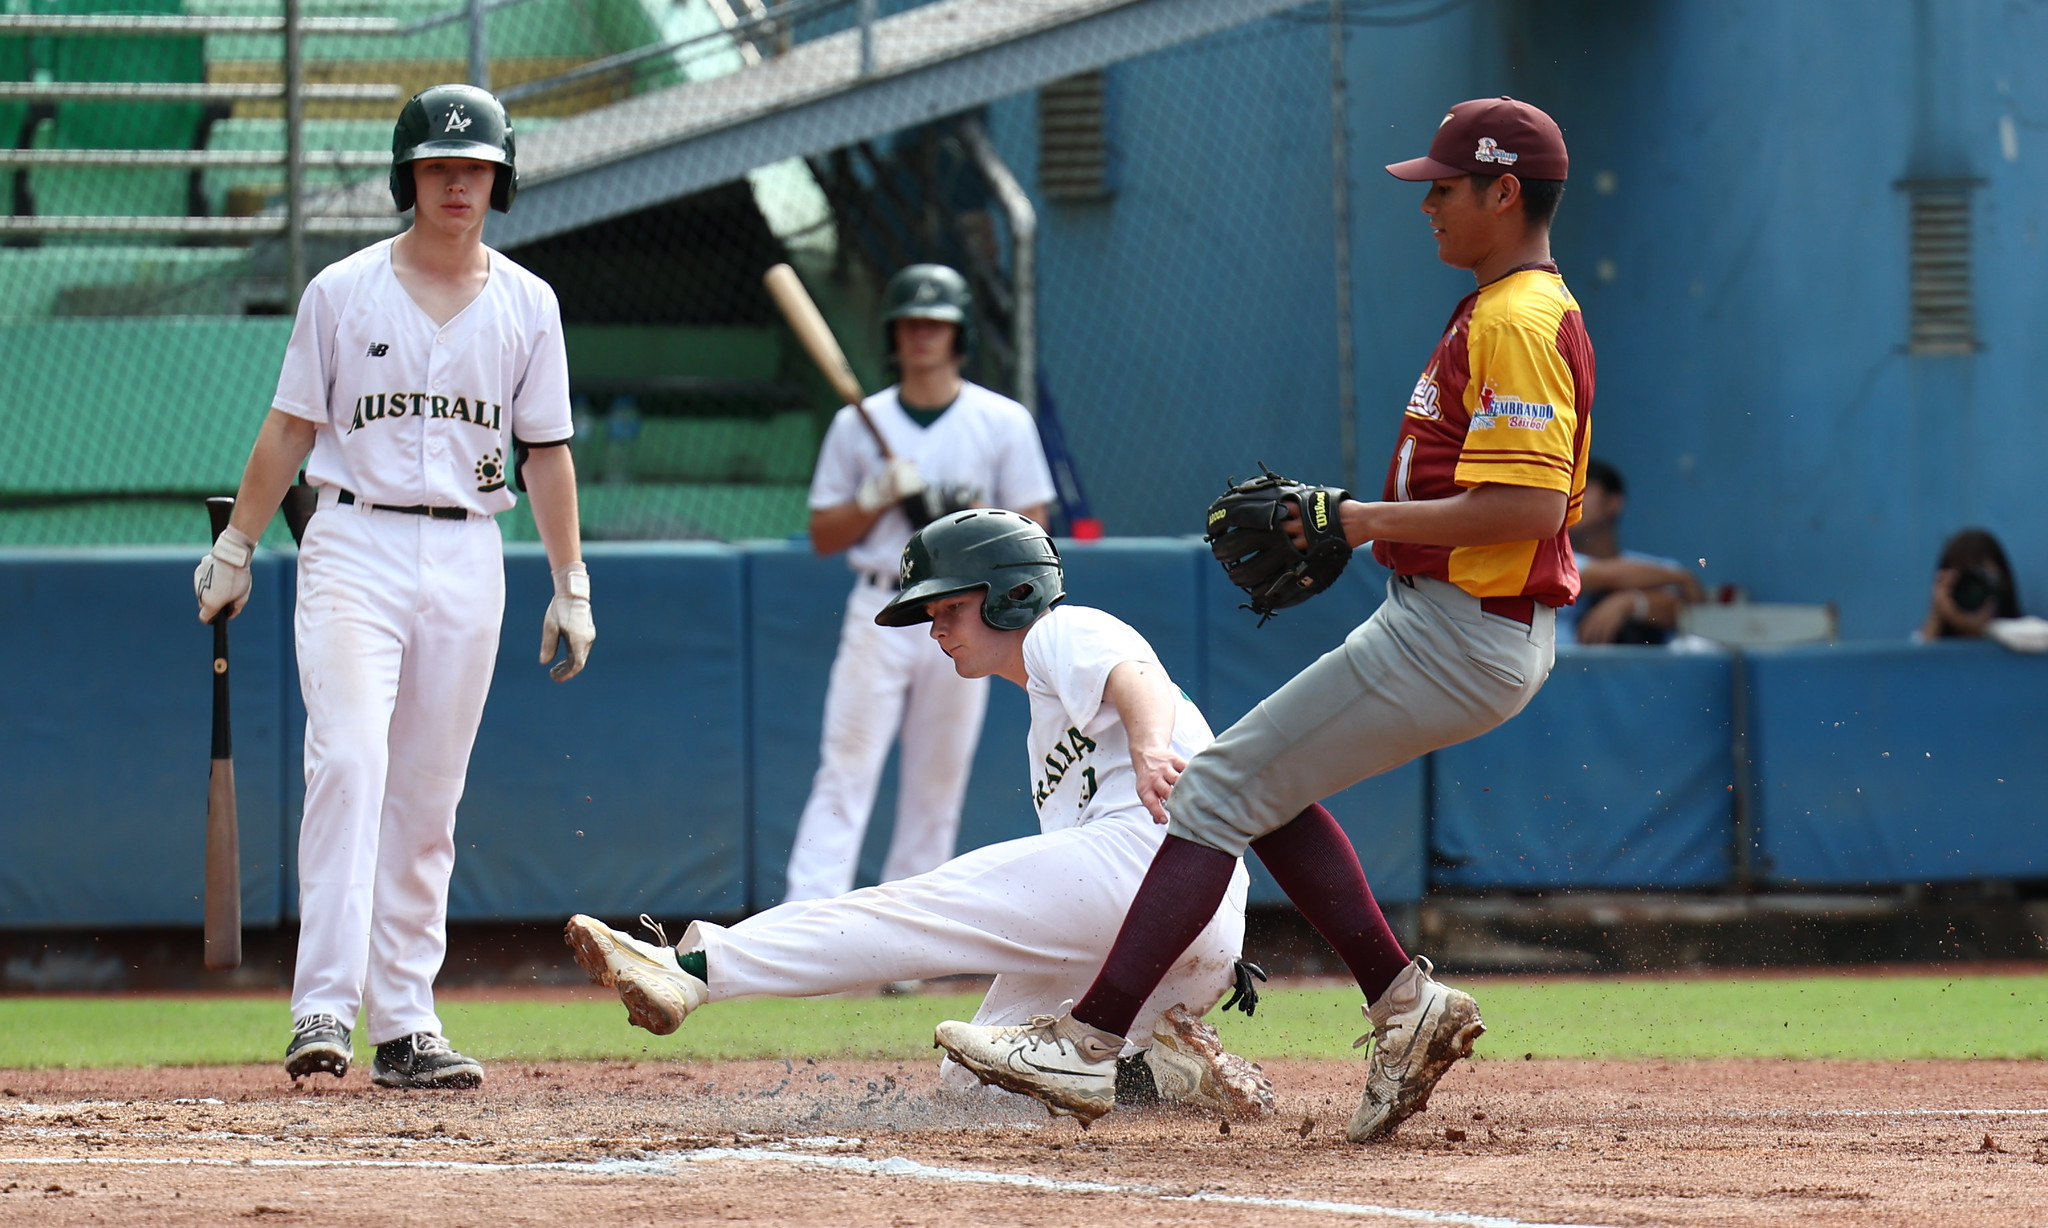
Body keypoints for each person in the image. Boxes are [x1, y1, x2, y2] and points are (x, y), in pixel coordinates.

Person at [934, 96, 1593, 1142]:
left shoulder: (1514, 317)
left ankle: (1089, 1042)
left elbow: (1528, 506)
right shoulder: (1500, 307)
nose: (1425, 205)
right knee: (1260, 782)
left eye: (1443, 187)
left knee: (1214, 790)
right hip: (1445, 620)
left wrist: (1360, 517)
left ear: (1503, 192)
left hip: (1462, 629)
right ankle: (1402, 1005)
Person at [564, 510, 1271, 1120]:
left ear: (1013, 595)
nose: (936, 631)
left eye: (950, 609)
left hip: (1146, 870)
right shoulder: (1043, 724)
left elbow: (1138, 678)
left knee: (913, 910)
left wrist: (1150, 750)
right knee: (971, 1082)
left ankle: (693, 967)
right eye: (931, 616)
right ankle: (1158, 1070)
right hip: (1174, 932)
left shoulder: (1064, 631)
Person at [192, 84, 592, 1090]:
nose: (458, 181)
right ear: (407, 175)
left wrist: (569, 580)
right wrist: (239, 544)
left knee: (426, 796)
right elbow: (289, 428)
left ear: (500, 179)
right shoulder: (341, 291)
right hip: (353, 542)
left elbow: (545, 453)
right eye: (439, 164)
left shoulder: (527, 304)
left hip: (468, 553)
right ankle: (323, 1003)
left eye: (476, 166)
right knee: (350, 763)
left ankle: (406, 1022)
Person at [785, 265, 1056, 904]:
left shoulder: (1002, 420)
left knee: (937, 781)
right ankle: (805, 922)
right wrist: (877, 497)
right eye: (911, 323)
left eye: (936, 324)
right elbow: (824, 533)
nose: (923, 335)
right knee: (845, 771)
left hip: (969, 615)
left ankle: (903, 939)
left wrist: (960, 523)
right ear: (894, 334)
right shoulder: (860, 424)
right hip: (880, 607)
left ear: (958, 334)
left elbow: (1034, 528)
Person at [1565, 458, 1701, 644]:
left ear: (1614, 502)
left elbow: (1689, 607)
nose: (1570, 500)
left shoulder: (1654, 568)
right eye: (1567, 491)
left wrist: (1631, 603)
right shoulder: (1555, 562)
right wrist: (1682, 577)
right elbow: (1604, 576)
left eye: (1583, 490)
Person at [1918, 528, 2022, 641]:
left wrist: (1981, 630)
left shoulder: (2027, 633)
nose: (1972, 589)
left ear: (2003, 583)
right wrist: (1936, 617)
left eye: (1981, 578)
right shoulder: (1926, 639)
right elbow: (1919, 656)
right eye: (1963, 581)